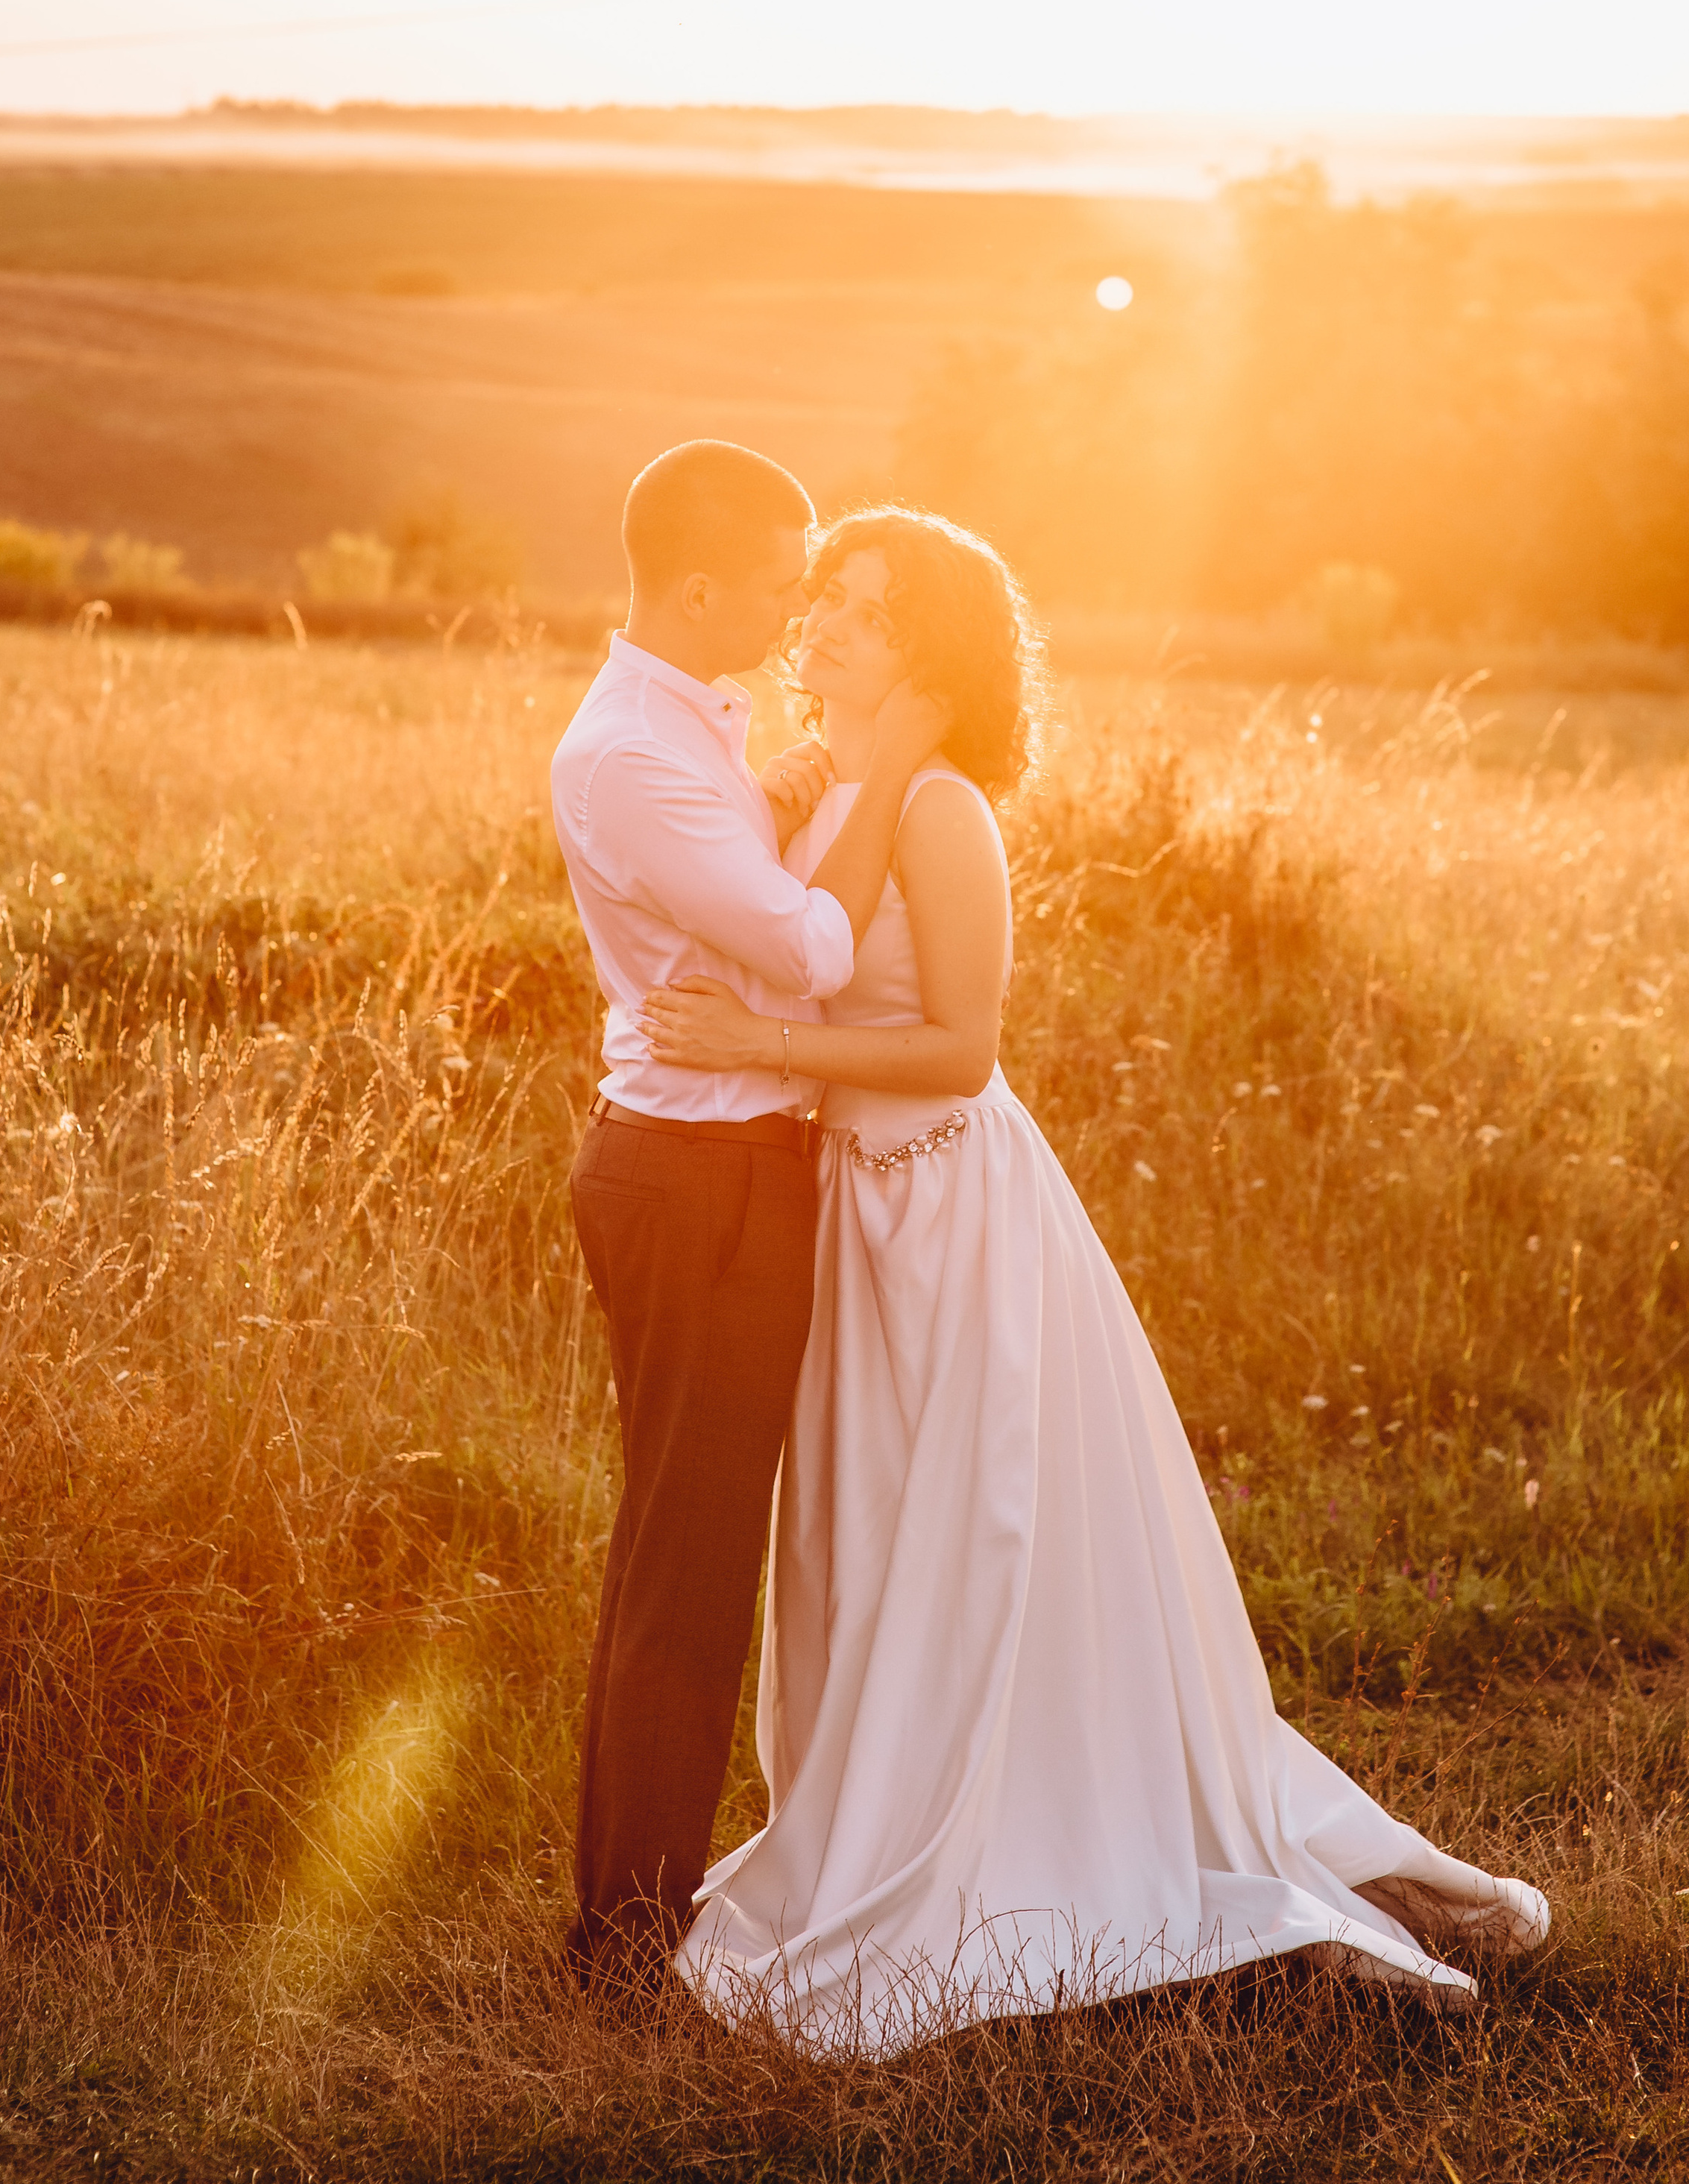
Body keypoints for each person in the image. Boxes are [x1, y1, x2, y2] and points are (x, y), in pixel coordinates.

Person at [641, 506, 1550, 2052]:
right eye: (830, 604)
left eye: (870, 610)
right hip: (843, 1233)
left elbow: (960, 1049)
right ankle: (886, 1823)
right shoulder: (821, 793)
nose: (831, 627)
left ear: (932, 652)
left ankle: (1109, 1854)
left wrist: (762, 1049)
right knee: (869, 1564)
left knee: (980, 1550)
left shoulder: (938, 807)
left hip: (949, 1221)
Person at [549, 444, 944, 2002]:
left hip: (722, 1169)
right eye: (783, 585)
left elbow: (744, 857)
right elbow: (808, 949)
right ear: (699, 586)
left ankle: (638, 1911)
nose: (795, 616)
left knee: (704, 1557)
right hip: (695, 1178)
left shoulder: (682, 720)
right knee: (686, 1570)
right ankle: (623, 1941)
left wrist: (799, 783)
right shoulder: (630, 752)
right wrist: (888, 771)